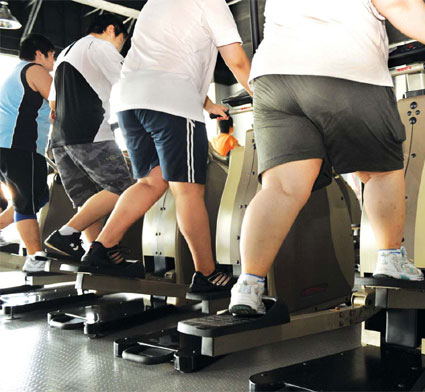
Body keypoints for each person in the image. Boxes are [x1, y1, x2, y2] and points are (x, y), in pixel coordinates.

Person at [229, 0, 425, 315]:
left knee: (281, 189)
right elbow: (398, 3)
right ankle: (391, 259)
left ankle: (248, 287)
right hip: (342, 65)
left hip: (273, 77)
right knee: (380, 172)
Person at [82, 0, 252, 291]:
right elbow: (236, 60)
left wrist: (207, 103)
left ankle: (102, 248)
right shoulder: (212, 2)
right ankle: (207, 273)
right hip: (171, 101)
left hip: (129, 100)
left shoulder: (156, 3)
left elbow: (165, 56)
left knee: (151, 181)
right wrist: (265, 97)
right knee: (187, 190)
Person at [44, 14, 133, 262]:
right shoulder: (100, 45)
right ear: (111, 30)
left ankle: (97, 254)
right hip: (90, 133)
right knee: (122, 187)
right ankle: (66, 234)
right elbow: (128, 82)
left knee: (86, 199)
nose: (119, 47)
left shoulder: (65, 53)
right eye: (121, 41)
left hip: (61, 138)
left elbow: (52, 101)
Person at [0, 34, 55, 271]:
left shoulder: (17, 71)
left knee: (36, 197)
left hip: (9, 145)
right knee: (27, 204)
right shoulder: (35, 69)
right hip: (20, 145)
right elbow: (60, 102)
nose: (52, 62)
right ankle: (36, 258)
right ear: (41, 53)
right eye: (52, 56)